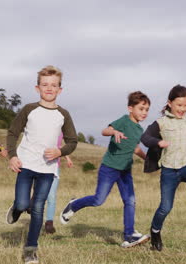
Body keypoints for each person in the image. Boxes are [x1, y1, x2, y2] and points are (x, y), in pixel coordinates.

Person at [60, 91, 151, 248]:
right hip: (109, 168)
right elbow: (105, 131)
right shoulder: (123, 120)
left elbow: (135, 149)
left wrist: (148, 160)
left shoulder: (139, 130)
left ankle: (129, 236)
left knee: (130, 201)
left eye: (147, 109)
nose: (144, 112)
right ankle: (74, 205)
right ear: (131, 108)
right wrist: (114, 131)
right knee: (98, 200)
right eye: (141, 108)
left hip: (125, 171)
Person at [6, 65, 77, 264]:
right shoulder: (29, 109)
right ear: (37, 88)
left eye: (53, 85)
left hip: (47, 169)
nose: (49, 88)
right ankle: (17, 207)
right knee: (22, 203)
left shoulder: (63, 114)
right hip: (26, 164)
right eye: (45, 84)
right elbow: (13, 133)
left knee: (38, 208)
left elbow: (72, 141)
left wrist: (59, 152)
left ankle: (31, 249)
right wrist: (12, 156)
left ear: (59, 90)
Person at [140, 84, 186, 252]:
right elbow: (145, 137)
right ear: (170, 103)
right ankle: (155, 231)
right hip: (169, 170)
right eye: (179, 105)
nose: (182, 109)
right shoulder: (160, 123)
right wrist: (158, 142)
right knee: (165, 207)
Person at [44, 134, 73, 234]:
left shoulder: (60, 131)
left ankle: (49, 224)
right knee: (40, 196)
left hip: (55, 167)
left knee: (52, 196)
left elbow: (59, 147)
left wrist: (67, 158)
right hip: (40, 166)